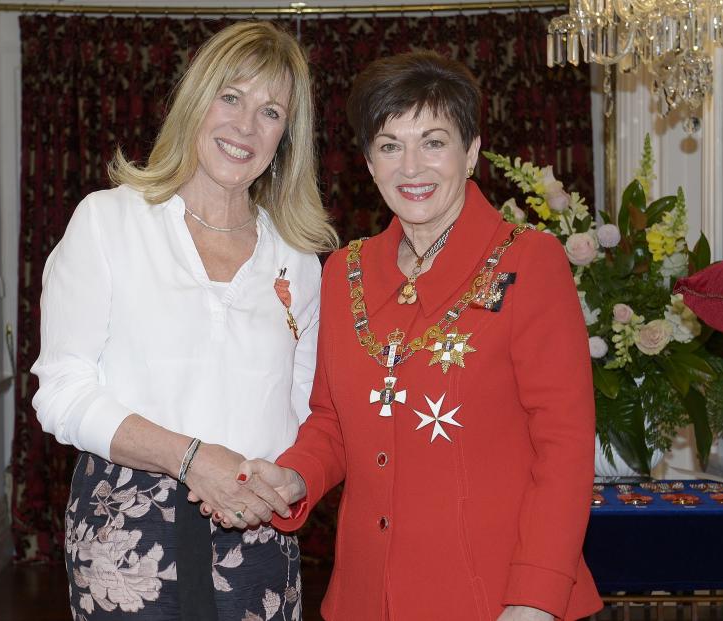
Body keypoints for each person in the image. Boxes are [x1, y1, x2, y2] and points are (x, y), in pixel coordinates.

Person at [232, 52, 603, 620]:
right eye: (389, 146)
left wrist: (535, 599)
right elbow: (332, 422)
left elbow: (565, 446)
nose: (411, 167)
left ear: (471, 151)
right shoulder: (345, 273)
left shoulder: (528, 263)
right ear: (369, 163)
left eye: (433, 142)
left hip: (496, 599)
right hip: (363, 598)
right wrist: (292, 475)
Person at [31, 21, 337, 620]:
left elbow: (305, 408)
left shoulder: (298, 259)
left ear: (287, 136)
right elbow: (62, 393)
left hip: (256, 532)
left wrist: (291, 479)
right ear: (196, 102)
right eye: (231, 97)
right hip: (127, 535)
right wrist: (190, 458)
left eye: (270, 111)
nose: (246, 126)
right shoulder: (108, 221)